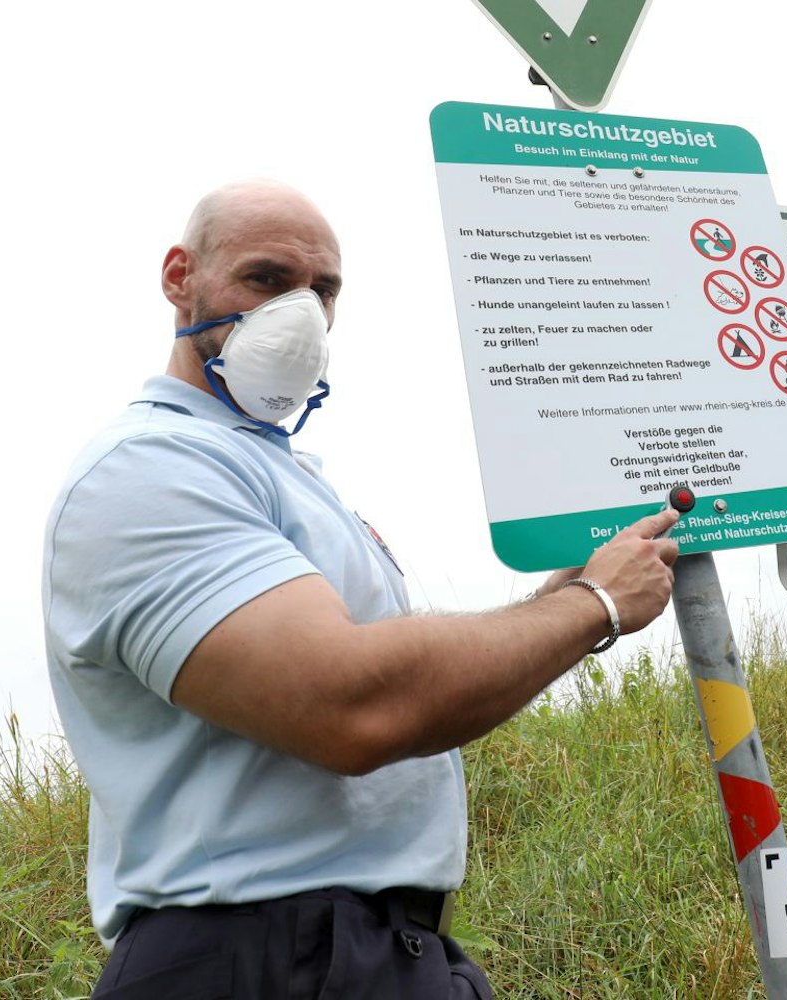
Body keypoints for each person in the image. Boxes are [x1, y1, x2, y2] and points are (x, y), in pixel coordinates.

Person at [42, 180, 680, 999]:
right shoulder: (149, 468)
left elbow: (401, 691)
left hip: (379, 950)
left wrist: (562, 599)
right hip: (257, 958)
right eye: (267, 279)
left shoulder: (279, 474)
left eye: (324, 290)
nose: (301, 314)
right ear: (179, 276)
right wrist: (592, 607)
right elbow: (355, 707)